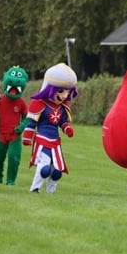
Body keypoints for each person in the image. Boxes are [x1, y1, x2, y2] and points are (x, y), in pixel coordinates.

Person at [22, 63, 79, 194]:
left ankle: (51, 191)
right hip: (42, 140)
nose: (64, 95)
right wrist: (27, 137)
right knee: (44, 167)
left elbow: (62, 122)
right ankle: (35, 189)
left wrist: (67, 128)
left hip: (55, 141)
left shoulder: (63, 107)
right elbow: (31, 123)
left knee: (57, 170)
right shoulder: (40, 104)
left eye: (67, 91)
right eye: (61, 91)